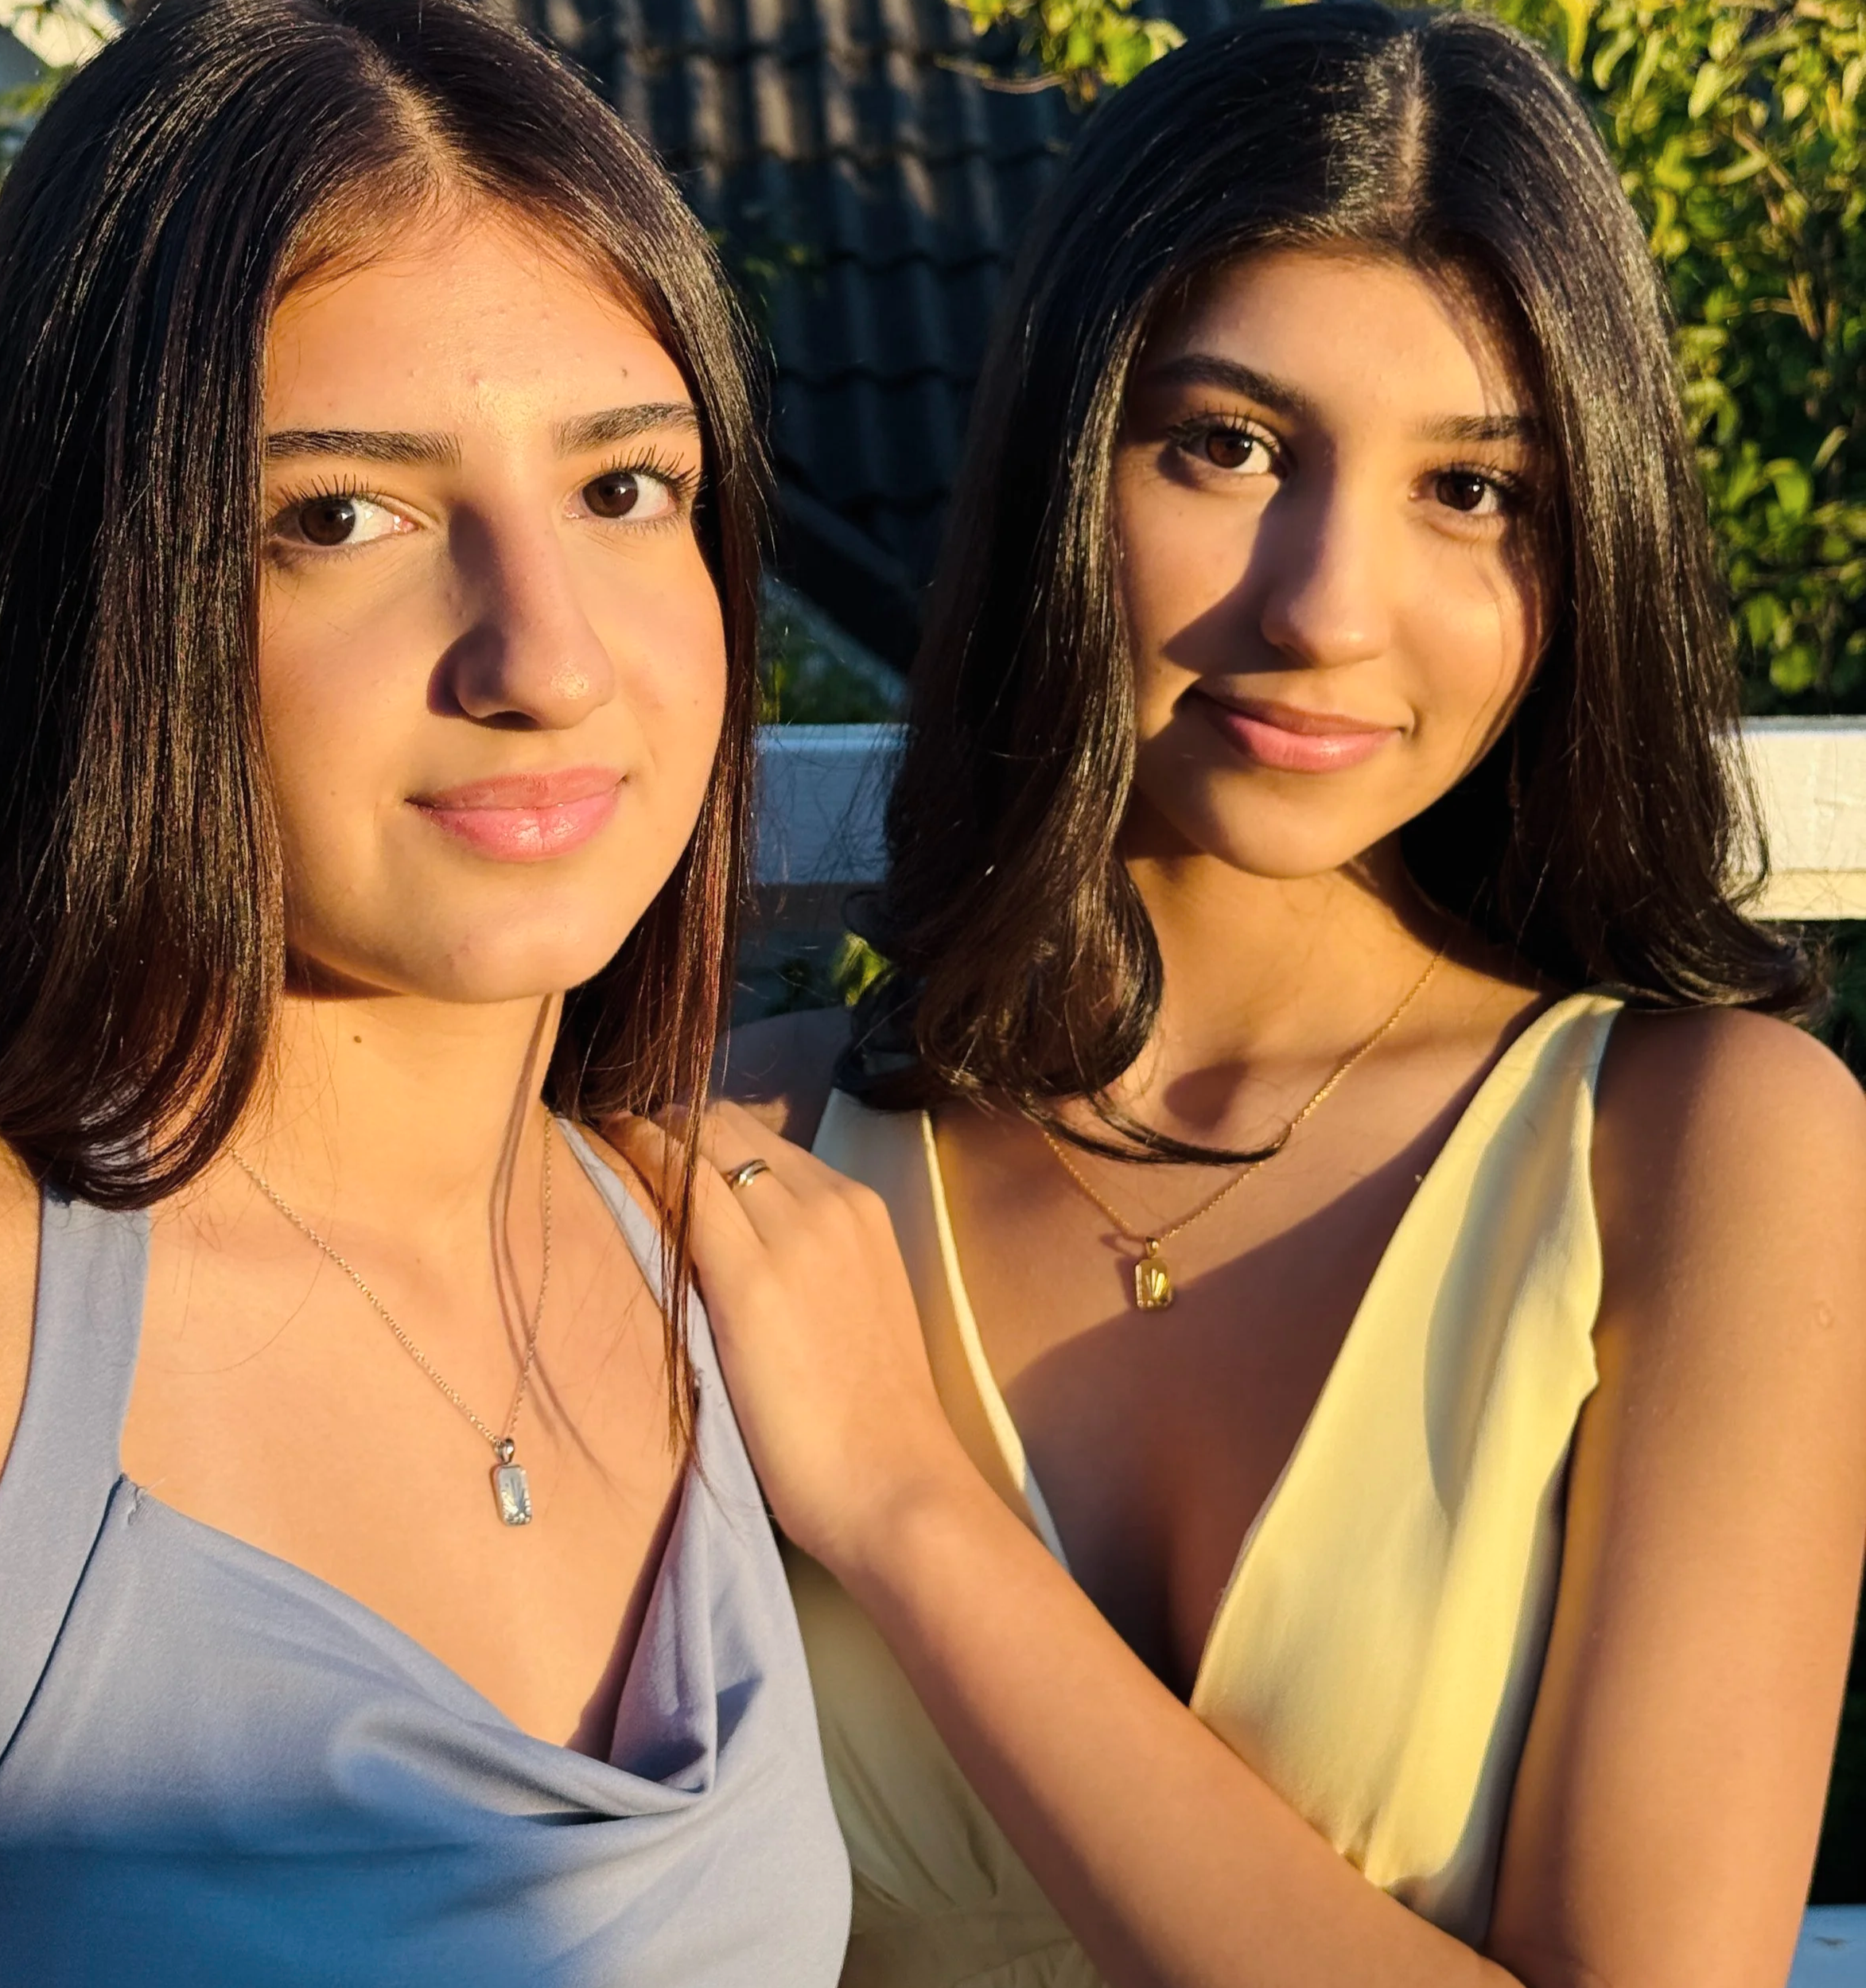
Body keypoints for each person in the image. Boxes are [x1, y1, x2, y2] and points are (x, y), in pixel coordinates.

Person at [673, 8, 1866, 1985]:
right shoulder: (750, 1151)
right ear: (1072, 465)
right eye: (1226, 447)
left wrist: (902, 1501)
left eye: (1474, 490)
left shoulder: (1700, 1146)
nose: (1324, 604)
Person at [0, 1, 849, 1979]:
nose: (544, 657)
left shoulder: (739, 1270)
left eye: (623, 488)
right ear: (106, 588)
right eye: (340, 515)